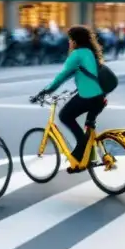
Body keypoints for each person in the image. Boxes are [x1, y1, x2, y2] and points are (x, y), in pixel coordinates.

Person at [35, 25, 106, 174]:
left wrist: (46, 90)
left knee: (65, 116)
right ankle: (88, 157)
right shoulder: (90, 52)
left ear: (74, 41)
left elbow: (62, 76)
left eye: (70, 40)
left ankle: (81, 150)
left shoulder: (76, 55)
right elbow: (84, 75)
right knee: (88, 127)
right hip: (99, 97)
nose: (69, 43)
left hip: (88, 96)